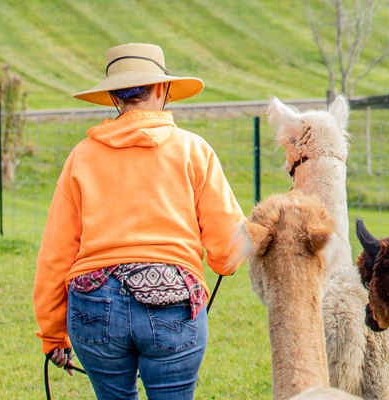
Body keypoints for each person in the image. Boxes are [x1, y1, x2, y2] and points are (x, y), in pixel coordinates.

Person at [33, 43, 247, 399]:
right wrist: (223, 262)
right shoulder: (194, 150)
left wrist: (53, 333)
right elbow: (229, 247)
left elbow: (56, 253)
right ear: (162, 89)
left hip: (93, 305)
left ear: (115, 97)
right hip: (173, 302)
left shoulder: (81, 157)